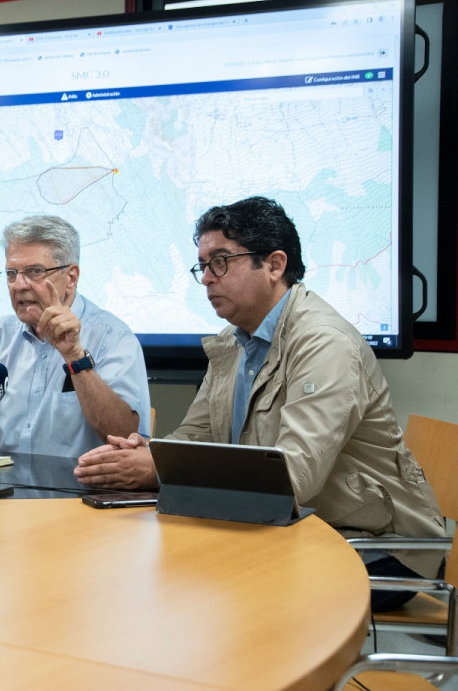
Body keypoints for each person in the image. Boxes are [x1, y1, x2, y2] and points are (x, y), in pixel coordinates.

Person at [74, 196, 444, 609]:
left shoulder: (325, 343)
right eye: (203, 266)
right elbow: (191, 439)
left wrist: (157, 467)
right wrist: (150, 455)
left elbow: (293, 476)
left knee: (208, 583)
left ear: (274, 264)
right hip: (289, 525)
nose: (206, 280)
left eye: (220, 262)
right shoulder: (234, 341)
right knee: (149, 561)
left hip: (377, 545)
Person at [0, 215, 150, 459]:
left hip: (79, 489)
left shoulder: (113, 337)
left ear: (71, 277)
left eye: (34, 272)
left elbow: (126, 436)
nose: (19, 285)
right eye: (11, 273)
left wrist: (74, 356)